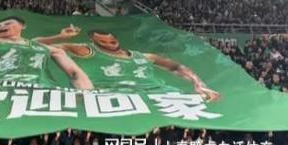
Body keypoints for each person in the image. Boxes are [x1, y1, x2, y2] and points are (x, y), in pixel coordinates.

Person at [38, 27, 220, 101]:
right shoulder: (86, 50)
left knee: (212, 99)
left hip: (161, 97)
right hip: (118, 99)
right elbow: (35, 45)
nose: (109, 45)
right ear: (93, 42)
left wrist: (198, 83)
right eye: (103, 42)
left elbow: (176, 67)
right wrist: (60, 36)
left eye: (111, 41)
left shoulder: (143, 56)